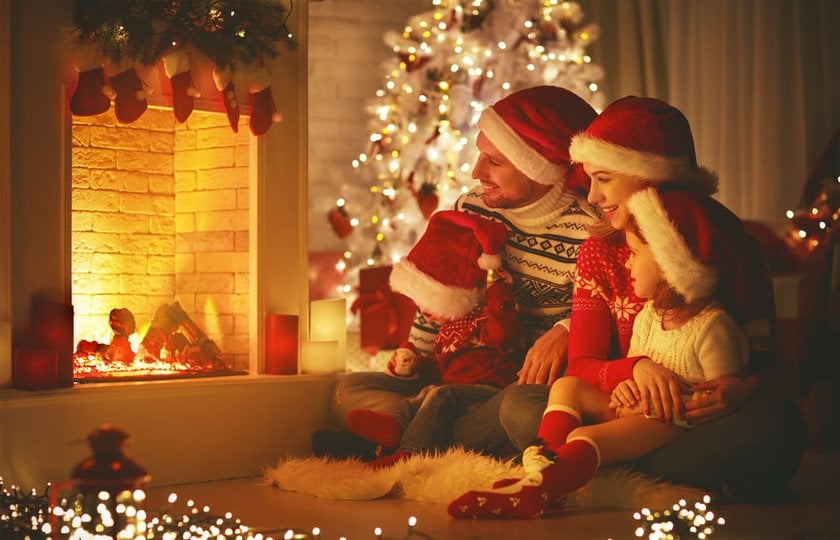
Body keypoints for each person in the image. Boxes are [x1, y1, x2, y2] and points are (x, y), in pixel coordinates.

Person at [494, 96, 805, 500]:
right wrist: (632, 371)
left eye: (604, 179)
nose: (591, 197)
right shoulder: (600, 251)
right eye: (590, 180)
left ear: (652, 177)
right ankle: (631, 467)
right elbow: (582, 365)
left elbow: (773, 371)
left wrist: (742, 390)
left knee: (779, 425)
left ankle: (593, 466)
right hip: (619, 407)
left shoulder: (729, 246)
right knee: (519, 406)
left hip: (691, 420)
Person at [313, 85, 600, 458]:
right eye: (480, 155)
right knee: (346, 390)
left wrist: (567, 329)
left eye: (495, 162)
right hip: (460, 370)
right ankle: (421, 431)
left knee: (522, 413)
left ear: (539, 169)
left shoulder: (590, 229)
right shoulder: (471, 208)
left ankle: (398, 440)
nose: (477, 171)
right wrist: (413, 357)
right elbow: (443, 295)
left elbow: (617, 316)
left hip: (519, 386)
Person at [448, 188, 750, 519]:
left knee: (582, 435)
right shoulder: (649, 316)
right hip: (636, 409)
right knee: (566, 387)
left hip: (673, 420)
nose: (629, 261)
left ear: (669, 262)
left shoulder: (713, 328)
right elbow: (628, 364)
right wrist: (624, 389)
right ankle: (541, 465)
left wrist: (665, 402)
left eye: (635, 253)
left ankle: (542, 489)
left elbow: (720, 403)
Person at [346, 210, 526, 468]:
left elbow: (504, 337)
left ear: (459, 297)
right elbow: (443, 366)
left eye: (433, 306)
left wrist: (496, 291)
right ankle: (394, 425)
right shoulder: (447, 330)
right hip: (453, 392)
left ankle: (409, 453)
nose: (426, 314)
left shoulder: (487, 317)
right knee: (429, 392)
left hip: (488, 391)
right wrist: (416, 366)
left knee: (439, 395)